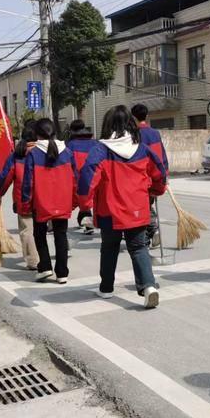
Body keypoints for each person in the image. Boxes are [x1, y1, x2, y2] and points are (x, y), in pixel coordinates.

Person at [78, 105, 167, 309]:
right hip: (137, 207)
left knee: (109, 248)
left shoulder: (100, 150)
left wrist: (84, 205)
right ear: (130, 123)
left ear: (107, 125)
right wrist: (156, 190)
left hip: (109, 210)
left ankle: (106, 288)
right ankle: (148, 287)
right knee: (138, 247)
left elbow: (87, 178)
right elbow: (159, 173)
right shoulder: (142, 149)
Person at [22, 118, 78, 285]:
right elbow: (75, 179)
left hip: (40, 202)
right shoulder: (67, 152)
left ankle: (45, 266)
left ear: (37, 134)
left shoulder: (33, 154)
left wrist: (25, 202)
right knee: (60, 235)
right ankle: (62, 273)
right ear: (53, 132)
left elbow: (28, 182)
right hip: (62, 201)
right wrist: (74, 201)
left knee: (39, 234)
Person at [0, 123, 40, 270]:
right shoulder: (45, 152)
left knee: (27, 230)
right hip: (45, 198)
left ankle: (33, 261)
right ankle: (51, 256)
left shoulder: (17, 155)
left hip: (24, 199)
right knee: (45, 229)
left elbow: (7, 176)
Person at [131, 103, 168, 248]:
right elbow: (162, 156)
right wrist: (165, 173)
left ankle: (150, 231)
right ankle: (150, 233)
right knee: (147, 204)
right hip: (156, 176)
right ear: (147, 116)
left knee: (143, 207)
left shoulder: (134, 135)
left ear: (132, 117)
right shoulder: (155, 133)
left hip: (140, 177)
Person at [67, 119, 99, 235]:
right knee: (92, 200)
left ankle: (87, 221)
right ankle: (89, 220)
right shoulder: (95, 143)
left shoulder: (70, 145)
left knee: (81, 201)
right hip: (94, 176)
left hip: (78, 177)